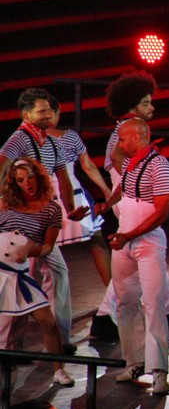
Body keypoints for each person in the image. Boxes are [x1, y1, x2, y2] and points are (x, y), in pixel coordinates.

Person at [92, 71, 169, 340]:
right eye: (146, 103)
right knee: (138, 263)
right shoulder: (131, 129)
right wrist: (142, 182)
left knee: (150, 258)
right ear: (132, 107)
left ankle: (168, 314)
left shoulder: (122, 128)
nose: (152, 107)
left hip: (129, 202)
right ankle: (104, 318)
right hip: (132, 205)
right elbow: (119, 161)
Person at [0, 88, 89, 354]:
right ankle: (12, 347)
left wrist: (70, 210)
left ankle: (54, 341)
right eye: (41, 111)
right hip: (19, 222)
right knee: (21, 279)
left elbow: (63, 179)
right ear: (26, 115)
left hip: (39, 218)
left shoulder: (52, 143)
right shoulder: (19, 140)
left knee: (44, 276)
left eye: (49, 110)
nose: (48, 115)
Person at [94, 118, 169, 395]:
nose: (119, 144)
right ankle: (134, 362)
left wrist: (129, 236)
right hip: (125, 243)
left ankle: (159, 372)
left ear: (137, 137)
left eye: (122, 139)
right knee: (125, 304)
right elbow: (125, 189)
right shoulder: (132, 163)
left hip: (147, 244)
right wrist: (107, 204)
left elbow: (162, 212)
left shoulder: (160, 166)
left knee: (153, 304)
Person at [0, 157, 75, 386]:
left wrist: (29, 251)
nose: (27, 183)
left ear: (38, 176)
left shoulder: (51, 209)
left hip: (20, 273)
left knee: (48, 322)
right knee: (7, 335)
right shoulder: (5, 204)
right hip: (1, 272)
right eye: (20, 180)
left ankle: (59, 370)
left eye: (30, 177)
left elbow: (48, 246)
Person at [46, 96, 113, 286]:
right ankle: (112, 290)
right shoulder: (69, 136)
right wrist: (106, 191)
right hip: (73, 195)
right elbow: (87, 165)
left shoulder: (27, 139)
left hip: (46, 198)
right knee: (96, 241)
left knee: (46, 249)